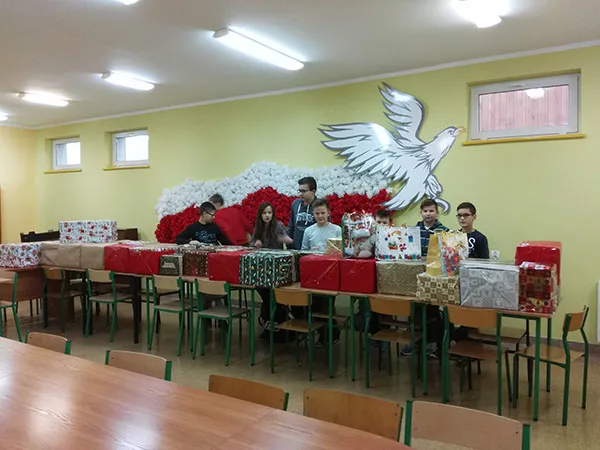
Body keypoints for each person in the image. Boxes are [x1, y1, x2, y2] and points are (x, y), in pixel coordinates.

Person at [401, 199, 448, 358]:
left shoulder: (444, 231)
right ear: (421, 212)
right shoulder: (413, 230)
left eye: (431, 211)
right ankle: (414, 342)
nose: (428, 214)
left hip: (434, 277)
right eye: (425, 211)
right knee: (414, 310)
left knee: (432, 310)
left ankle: (431, 345)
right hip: (414, 276)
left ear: (437, 212)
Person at [249, 202, 293, 341]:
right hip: (262, 266)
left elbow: (288, 240)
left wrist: (285, 240)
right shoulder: (258, 227)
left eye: (269, 213)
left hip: (276, 266)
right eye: (264, 213)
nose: (267, 215)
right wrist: (255, 244)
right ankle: (270, 321)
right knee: (263, 291)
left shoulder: (278, 225)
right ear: (260, 215)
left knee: (272, 294)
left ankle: (274, 322)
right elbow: (252, 243)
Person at [300, 199, 342, 345]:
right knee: (315, 305)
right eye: (317, 213)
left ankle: (331, 335)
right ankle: (323, 334)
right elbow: (303, 251)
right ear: (313, 214)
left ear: (328, 213)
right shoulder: (308, 231)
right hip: (313, 274)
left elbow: (341, 251)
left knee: (327, 305)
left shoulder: (337, 229)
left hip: (331, 273)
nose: (320, 216)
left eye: (323, 213)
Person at [288, 176, 318, 250]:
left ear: (313, 191)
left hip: (314, 249)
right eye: (299, 191)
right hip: (296, 248)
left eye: (304, 191)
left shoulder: (320, 206)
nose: (301, 194)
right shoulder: (295, 204)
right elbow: (291, 227)